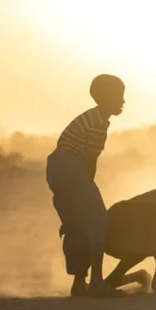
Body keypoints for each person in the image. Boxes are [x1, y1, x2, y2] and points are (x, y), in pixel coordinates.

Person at [46, 74, 126, 297]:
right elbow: (90, 161)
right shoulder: (98, 123)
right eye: (119, 96)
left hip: (56, 169)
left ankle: (79, 283)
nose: (123, 102)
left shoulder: (90, 118)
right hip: (70, 168)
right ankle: (97, 283)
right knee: (97, 221)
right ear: (106, 97)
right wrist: (88, 185)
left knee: (76, 224)